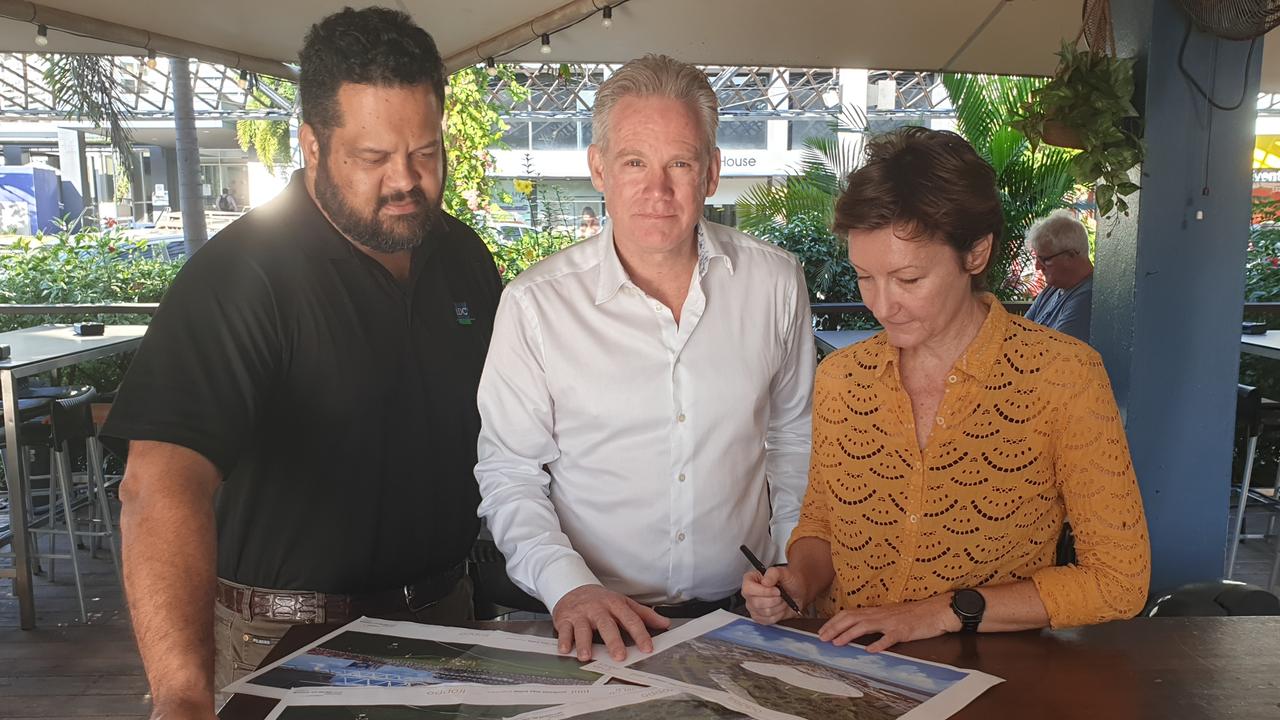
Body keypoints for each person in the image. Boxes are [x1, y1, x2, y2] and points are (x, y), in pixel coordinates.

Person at [102, 8, 502, 718]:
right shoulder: (242, 274)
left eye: (427, 153)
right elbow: (160, 485)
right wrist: (182, 695)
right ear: (313, 146)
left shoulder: (464, 259)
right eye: (373, 158)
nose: (406, 181)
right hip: (283, 641)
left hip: (447, 622)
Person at [742, 127, 1150, 651]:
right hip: (846, 672)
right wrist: (797, 580)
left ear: (975, 253)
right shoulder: (842, 378)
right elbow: (822, 523)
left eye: (908, 279)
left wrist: (942, 612)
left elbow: (1118, 582)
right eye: (865, 277)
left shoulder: (1063, 376)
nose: (882, 306)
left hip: (987, 675)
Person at [476, 54, 814, 663]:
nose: (657, 191)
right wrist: (567, 588)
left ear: (711, 172)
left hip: (743, 618)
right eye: (634, 162)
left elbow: (794, 441)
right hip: (595, 625)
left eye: (679, 164)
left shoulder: (776, 282)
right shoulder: (534, 304)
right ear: (598, 168)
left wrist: (795, 560)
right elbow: (510, 474)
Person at [1024, 209, 1094, 342]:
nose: (1037, 267)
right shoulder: (1053, 288)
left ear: (1071, 255)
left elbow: (1055, 351)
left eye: (1044, 259)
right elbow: (1019, 333)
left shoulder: (1087, 297)